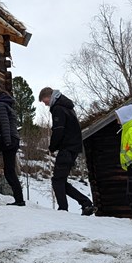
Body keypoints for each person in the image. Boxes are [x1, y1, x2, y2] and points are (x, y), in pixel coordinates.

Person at [38, 87, 95, 215]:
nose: (45, 104)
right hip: (73, 148)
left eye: (44, 101)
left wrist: (52, 147)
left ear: (49, 96)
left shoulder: (58, 108)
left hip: (67, 148)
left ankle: (63, 209)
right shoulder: (67, 106)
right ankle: (85, 203)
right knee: (61, 180)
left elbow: (58, 130)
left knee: (57, 180)